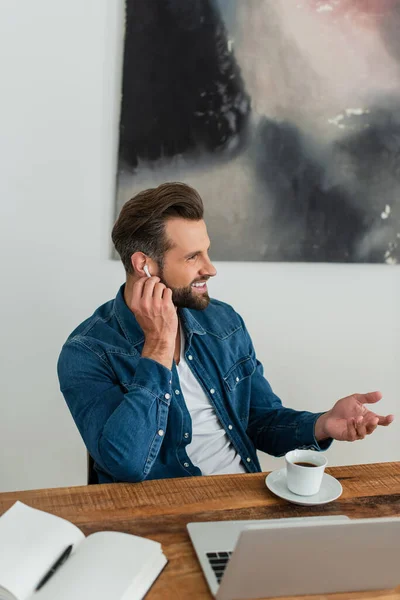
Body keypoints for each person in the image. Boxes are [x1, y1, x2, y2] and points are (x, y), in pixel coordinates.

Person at [57, 182, 394, 484]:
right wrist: (158, 347)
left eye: (207, 251)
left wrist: (323, 423)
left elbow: (260, 421)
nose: (211, 268)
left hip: (243, 498)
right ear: (144, 265)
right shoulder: (87, 351)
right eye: (192, 257)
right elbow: (126, 465)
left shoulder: (223, 322)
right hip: (161, 514)